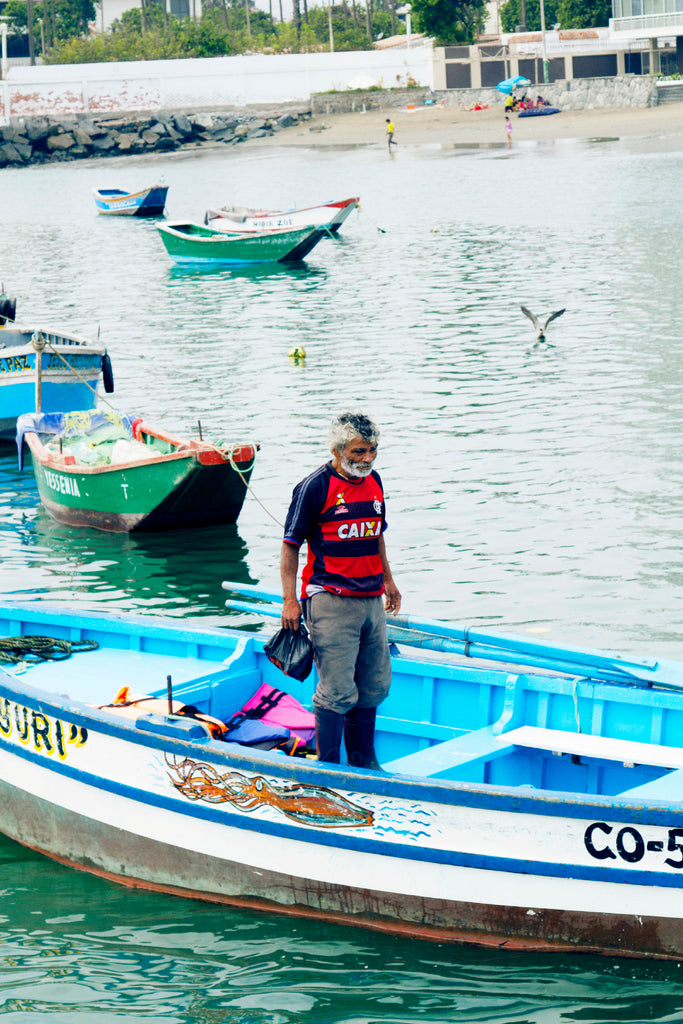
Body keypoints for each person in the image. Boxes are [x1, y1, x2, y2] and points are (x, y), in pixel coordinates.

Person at [280, 411, 401, 768]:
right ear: (337, 449)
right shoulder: (314, 486)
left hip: (371, 599)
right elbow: (290, 545)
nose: (367, 459)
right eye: (360, 451)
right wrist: (290, 600)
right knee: (335, 691)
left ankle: (364, 762)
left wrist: (388, 580)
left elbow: (376, 534)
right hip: (330, 599)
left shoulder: (374, 481)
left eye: (373, 451)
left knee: (374, 684)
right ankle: (328, 768)